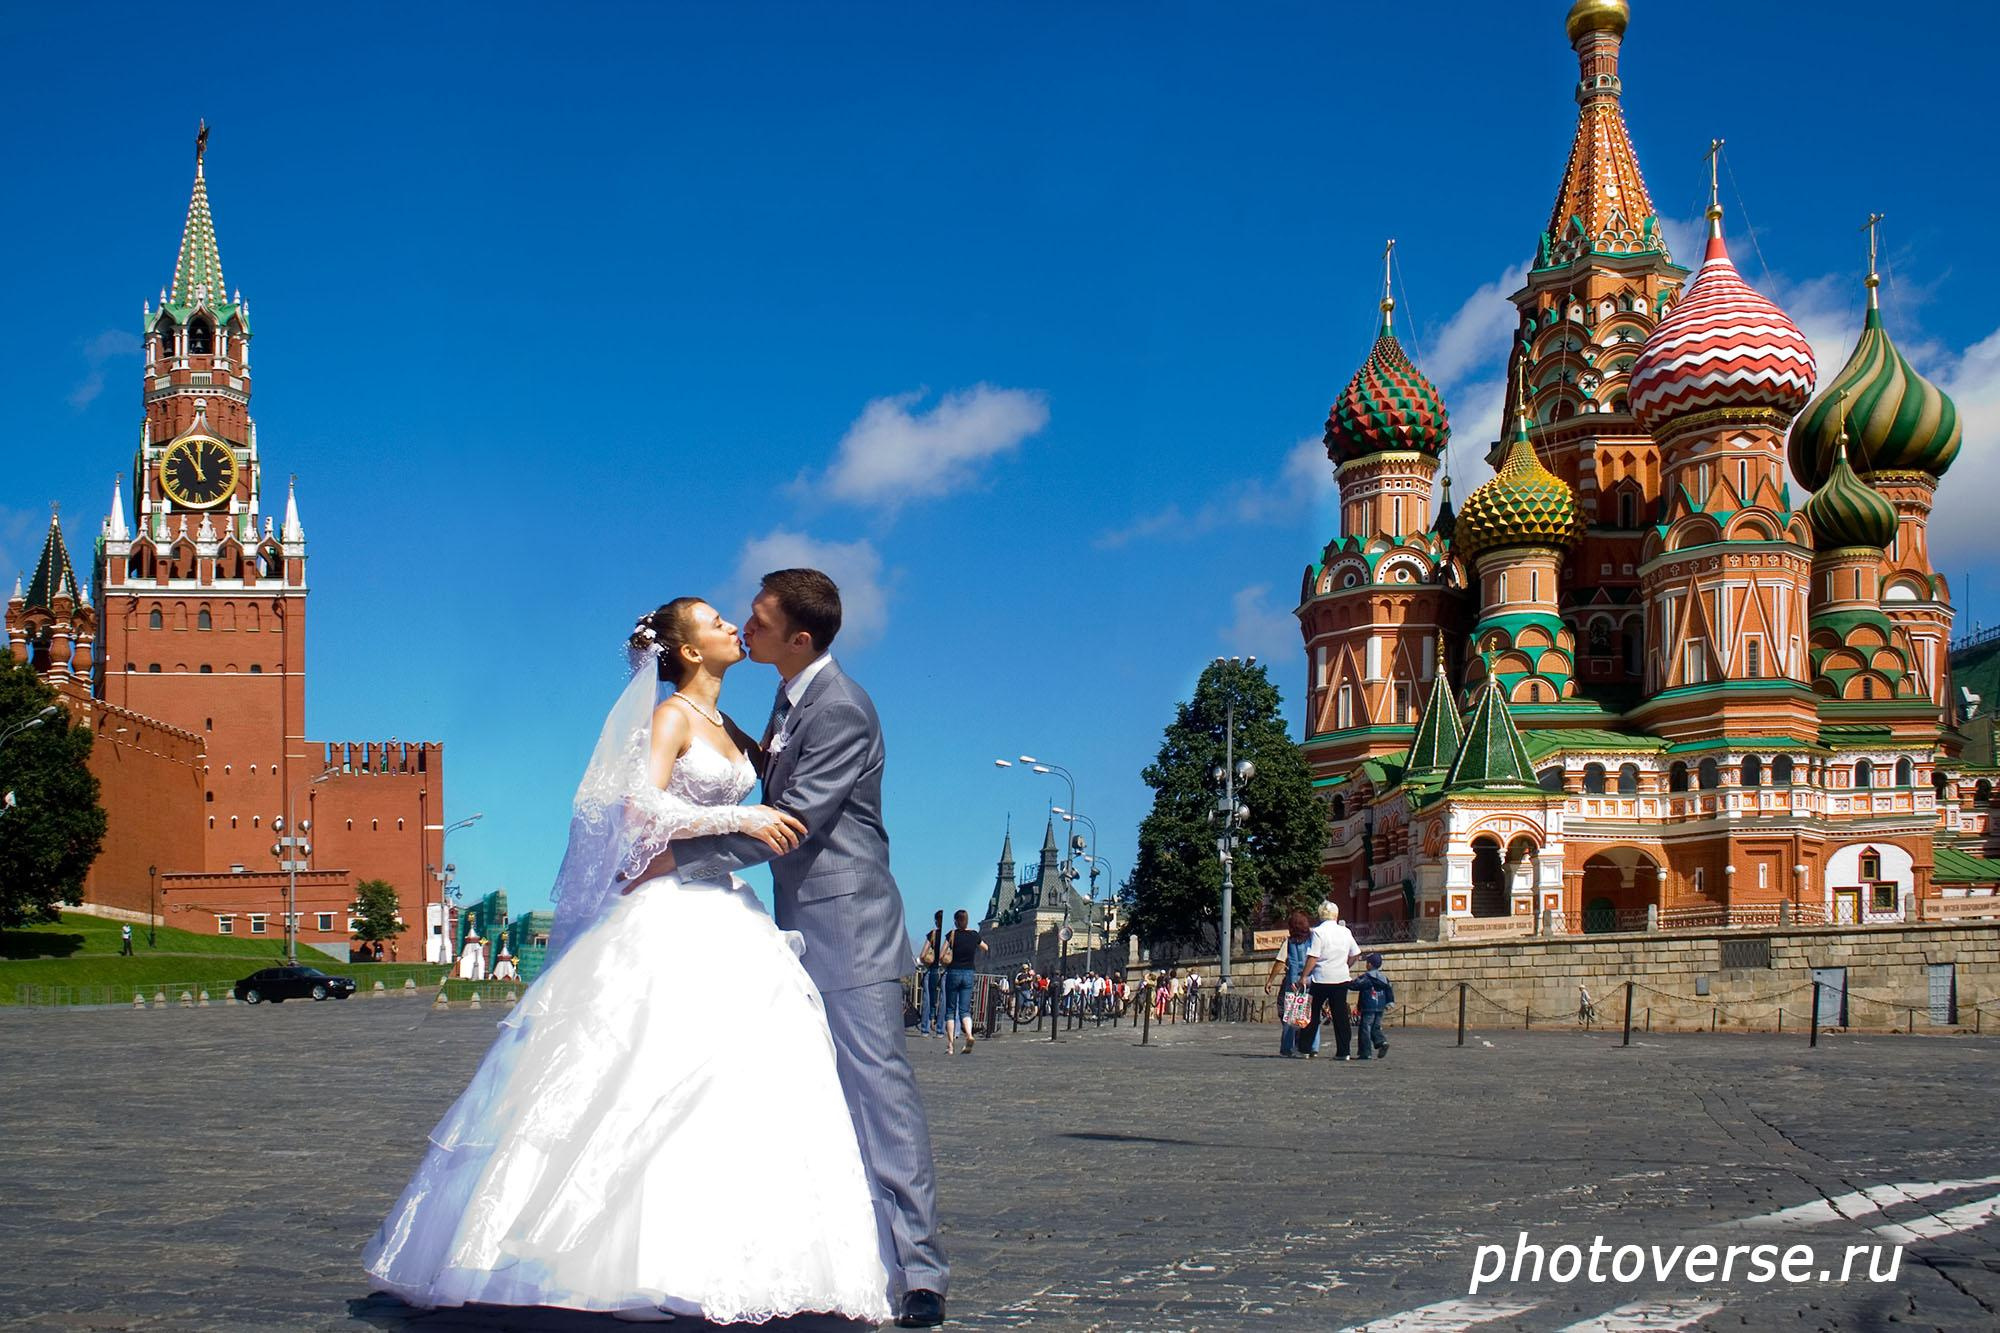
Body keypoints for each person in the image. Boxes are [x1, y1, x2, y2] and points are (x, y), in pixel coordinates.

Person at [362, 595, 895, 1325]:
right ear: (686, 650)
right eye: (713, 622)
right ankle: (599, 1255)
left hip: (729, 909)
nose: (731, 625)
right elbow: (637, 813)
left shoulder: (737, 726)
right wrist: (738, 815)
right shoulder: (671, 716)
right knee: (646, 1066)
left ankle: (730, 1250)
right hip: (668, 907)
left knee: (741, 1079)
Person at [671, 569, 948, 1328]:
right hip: (798, 929)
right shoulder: (790, 699)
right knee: (820, 1104)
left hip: (850, 930)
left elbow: (790, 818)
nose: (746, 624)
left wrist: (672, 860)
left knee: (880, 1095)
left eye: (758, 618)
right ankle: (848, 1257)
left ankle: (922, 1273)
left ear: (800, 635)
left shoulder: (842, 708)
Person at [1298, 900, 1362, 1060]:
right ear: (1336, 915)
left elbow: (1313, 956)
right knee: (1340, 1015)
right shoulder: (1345, 932)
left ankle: (1305, 1048)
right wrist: (1345, 965)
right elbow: (1355, 954)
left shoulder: (1318, 932)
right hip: (1340, 978)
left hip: (1321, 978)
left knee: (1312, 1014)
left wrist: (1304, 975)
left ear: (1320, 915)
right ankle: (1344, 1051)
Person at [1263, 909, 1319, 1058]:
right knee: (1311, 1013)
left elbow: (1285, 962)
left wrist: (1271, 981)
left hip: (1294, 981)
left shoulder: (1291, 942)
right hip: (1312, 979)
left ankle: (1287, 1047)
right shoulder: (1314, 938)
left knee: (1290, 1014)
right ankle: (1313, 1046)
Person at [941, 908, 986, 1054]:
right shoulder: (974, 935)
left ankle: (950, 1046)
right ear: (967, 920)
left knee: (950, 1010)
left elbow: (941, 955)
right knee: (964, 1010)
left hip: (953, 972)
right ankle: (969, 1035)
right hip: (969, 973)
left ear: (955, 921)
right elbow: (985, 947)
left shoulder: (952, 935)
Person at [1352, 951, 1395, 1060]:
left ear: (1370, 964)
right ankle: (1382, 1042)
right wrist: (1390, 1002)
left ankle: (1365, 1052)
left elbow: (1356, 985)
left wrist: (1346, 982)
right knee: (1375, 1027)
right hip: (1380, 1006)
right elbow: (1389, 990)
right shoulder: (1384, 978)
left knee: (1365, 1029)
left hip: (1368, 1005)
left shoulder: (1367, 978)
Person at [918, 910, 945, 1039]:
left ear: (936, 921)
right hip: (945, 971)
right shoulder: (950, 935)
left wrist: (926, 962)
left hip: (932, 970)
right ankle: (940, 1030)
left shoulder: (933, 934)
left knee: (927, 999)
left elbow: (923, 954)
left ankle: (925, 1029)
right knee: (943, 1000)